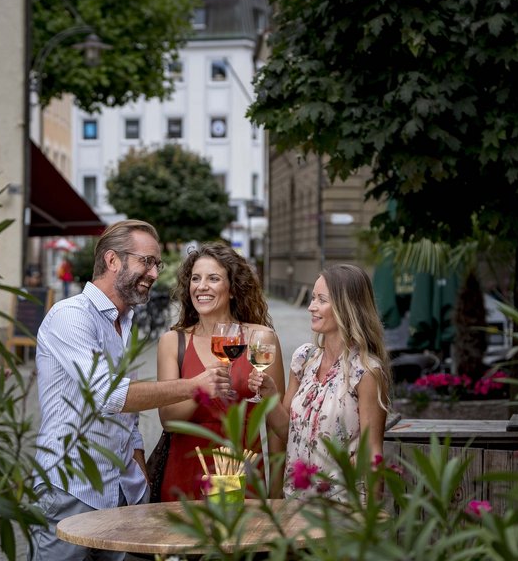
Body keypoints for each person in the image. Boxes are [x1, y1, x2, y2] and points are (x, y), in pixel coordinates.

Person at [28, 220, 230, 561]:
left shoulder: (122, 321)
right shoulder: (72, 316)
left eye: (156, 264)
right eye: (146, 261)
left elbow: (125, 406)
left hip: (119, 488)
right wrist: (194, 386)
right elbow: (109, 395)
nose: (152, 273)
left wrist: (137, 458)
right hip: (70, 485)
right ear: (112, 261)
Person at [248, 263, 391, 501]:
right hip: (296, 501)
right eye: (313, 298)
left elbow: (372, 453)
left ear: (347, 308)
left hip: (343, 506)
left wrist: (372, 523)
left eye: (321, 300)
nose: (311, 307)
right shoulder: (303, 359)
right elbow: (286, 432)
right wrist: (270, 396)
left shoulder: (366, 372)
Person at [156, 242, 285, 501]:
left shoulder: (261, 337)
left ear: (233, 289)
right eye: (195, 279)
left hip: (243, 470)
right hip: (186, 470)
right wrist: (200, 388)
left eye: (213, 278)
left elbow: (275, 425)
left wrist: (275, 490)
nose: (201, 286)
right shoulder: (173, 341)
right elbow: (168, 419)